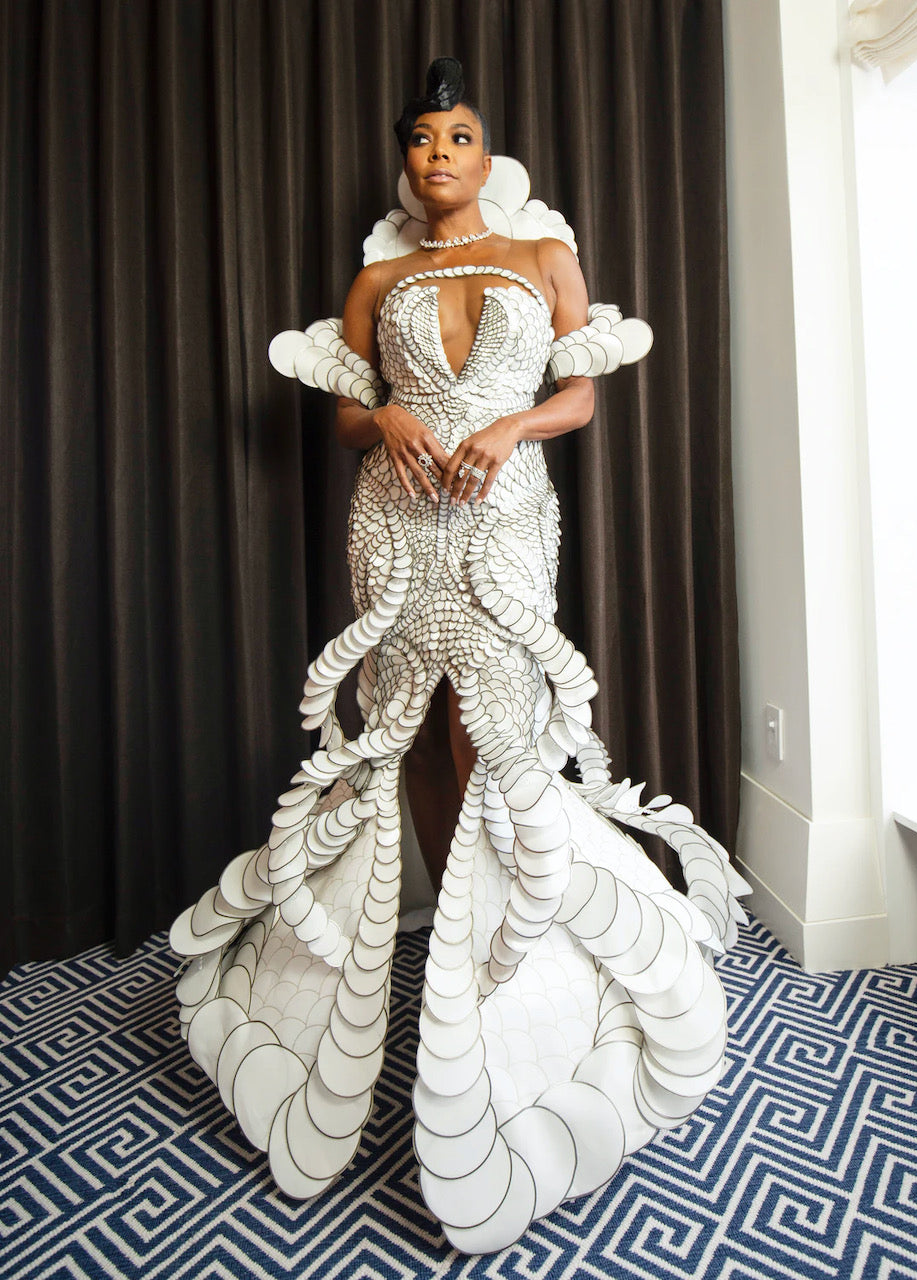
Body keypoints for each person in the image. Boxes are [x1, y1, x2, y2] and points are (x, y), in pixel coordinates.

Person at [171, 58, 749, 1255]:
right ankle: (444, 926)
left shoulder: (543, 257)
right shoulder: (376, 274)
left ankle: (517, 954)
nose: (440, 151)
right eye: (424, 137)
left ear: (490, 159)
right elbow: (342, 405)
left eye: (461, 134)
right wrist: (377, 412)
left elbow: (581, 395)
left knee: (502, 722)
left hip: (499, 512)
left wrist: (510, 419)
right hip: (393, 514)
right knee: (403, 728)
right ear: (407, 162)